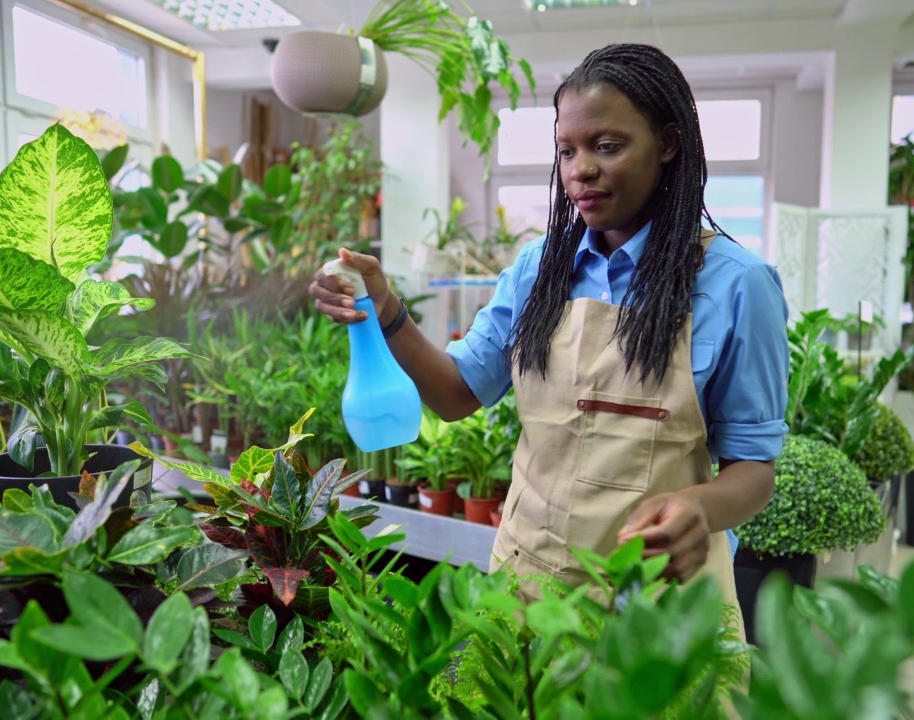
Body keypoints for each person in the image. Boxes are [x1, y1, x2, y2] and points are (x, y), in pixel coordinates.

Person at [309, 43, 789, 610]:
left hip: (660, 606)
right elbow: (458, 393)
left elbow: (754, 468)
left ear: (666, 143)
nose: (580, 169)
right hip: (528, 588)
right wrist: (386, 309)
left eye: (607, 146)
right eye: (567, 151)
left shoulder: (737, 284)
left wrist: (702, 509)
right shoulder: (539, 269)